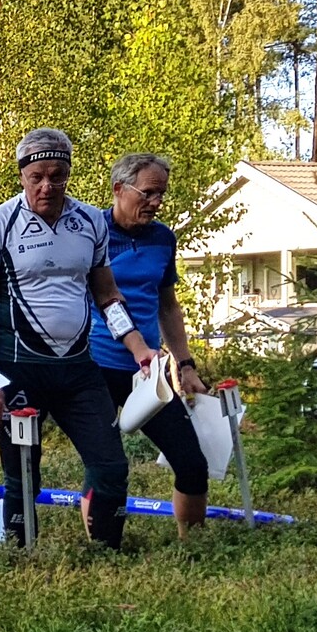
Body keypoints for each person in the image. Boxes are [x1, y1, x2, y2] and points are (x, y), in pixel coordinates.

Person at [0, 128, 156, 548]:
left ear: (68, 173)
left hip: (78, 371)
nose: (47, 185)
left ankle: (107, 551)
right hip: (17, 371)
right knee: (22, 471)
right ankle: (20, 557)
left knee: (111, 465)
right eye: (37, 176)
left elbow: (107, 295)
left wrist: (140, 349)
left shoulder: (89, 221)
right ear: (22, 176)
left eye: (57, 175)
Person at [91, 153, 211, 537]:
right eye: (148, 192)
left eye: (162, 194)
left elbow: (168, 305)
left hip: (149, 371)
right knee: (104, 465)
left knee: (192, 462)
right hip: (96, 364)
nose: (156, 202)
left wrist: (186, 365)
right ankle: (100, 550)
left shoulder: (164, 238)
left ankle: (192, 546)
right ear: (119, 190)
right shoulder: (92, 231)